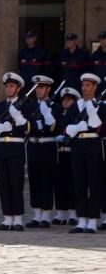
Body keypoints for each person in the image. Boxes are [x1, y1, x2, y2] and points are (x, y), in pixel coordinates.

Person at [0, 72, 32, 231]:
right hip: (1, 147)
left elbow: (31, 127)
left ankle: (17, 219)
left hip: (16, 147)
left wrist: (20, 120)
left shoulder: (25, 105)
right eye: (7, 86)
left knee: (16, 183)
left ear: (18, 88)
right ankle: (7, 218)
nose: (8, 89)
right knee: (3, 183)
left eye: (11, 86)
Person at [63, 73, 104, 234]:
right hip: (78, 145)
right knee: (79, 182)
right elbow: (64, 126)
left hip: (93, 144)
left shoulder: (100, 106)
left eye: (88, 85)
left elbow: (102, 129)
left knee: (94, 182)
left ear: (95, 87)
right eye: (83, 85)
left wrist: (93, 114)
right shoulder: (75, 106)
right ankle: (81, 220)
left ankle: (92, 220)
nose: (85, 88)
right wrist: (73, 129)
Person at [25, 75, 58, 227]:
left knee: (46, 181)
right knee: (34, 181)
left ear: (48, 89)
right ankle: (36, 215)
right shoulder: (30, 106)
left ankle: (46, 216)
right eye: (37, 87)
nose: (39, 90)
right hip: (33, 146)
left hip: (48, 147)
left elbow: (57, 128)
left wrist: (47, 115)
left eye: (42, 87)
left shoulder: (55, 107)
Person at [52, 87, 80, 225]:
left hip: (72, 152)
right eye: (64, 99)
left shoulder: (77, 116)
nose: (65, 101)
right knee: (60, 183)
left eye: (69, 99)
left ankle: (73, 212)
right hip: (60, 153)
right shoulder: (59, 116)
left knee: (73, 183)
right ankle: (61, 212)